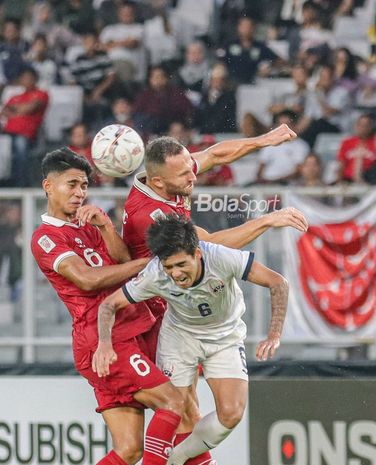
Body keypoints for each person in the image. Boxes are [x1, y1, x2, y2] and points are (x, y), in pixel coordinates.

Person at [121, 128, 308, 465]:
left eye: (190, 167)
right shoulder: (151, 215)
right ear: (159, 183)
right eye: (184, 174)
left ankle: (174, 459)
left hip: (183, 297)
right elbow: (210, 246)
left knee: (196, 410)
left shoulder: (166, 175)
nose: (194, 174)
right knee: (183, 406)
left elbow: (215, 155)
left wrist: (262, 141)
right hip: (158, 305)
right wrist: (268, 220)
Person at [30, 148, 185, 465]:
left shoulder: (87, 225)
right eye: (71, 184)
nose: (79, 193)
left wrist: (105, 226)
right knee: (173, 403)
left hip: (132, 327)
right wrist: (152, 261)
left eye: (84, 185)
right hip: (105, 340)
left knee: (129, 450)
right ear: (48, 186)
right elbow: (87, 279)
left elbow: (124, 261)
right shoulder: (45, 237)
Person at [95, 214, 289, 465]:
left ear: (197, 253)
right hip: (180, 338)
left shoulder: (221, 257)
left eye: (181, 265)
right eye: (169, 267)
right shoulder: (155, 273)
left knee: (231, 414)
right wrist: (104, 342)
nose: (175, 274)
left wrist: (274, 334)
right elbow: (109, 305)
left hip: (225, 336)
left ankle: (176, 458)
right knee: (176, 409)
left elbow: (278, 283)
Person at [2, 67, 49, 187]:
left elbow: (31, 108)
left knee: (20, 148)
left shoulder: (41, 94)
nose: (27, 80)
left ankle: (21, 184)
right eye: (24, 78)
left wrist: (16, 110)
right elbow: (4, 111)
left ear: (35, 79)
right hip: (7, 132)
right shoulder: (15, 96)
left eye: (29, 78)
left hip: (27, 135)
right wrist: (21, 109)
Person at [218, 16, 279, 85]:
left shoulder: (259, 47)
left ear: (253, 29)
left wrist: (269, 67)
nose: (245, 29)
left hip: (253, 84)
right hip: (231, 84)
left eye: (248, 27)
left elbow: (279, 61)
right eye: (243, 26)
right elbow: (220, 62)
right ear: (238, 28)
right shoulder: (229, 45)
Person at [134, 66, 193, 134]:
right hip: (151, 131)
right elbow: (138, 116)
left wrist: (179, 123)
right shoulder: (144, 96)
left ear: (166, 78)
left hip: (173, 129)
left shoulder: (176, 93)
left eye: (160, 76)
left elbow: (187, 111)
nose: (158, 79)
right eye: (155, 77)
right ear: (150, 79)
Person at [255, 111, 310, 184]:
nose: (283, 129)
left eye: (287, 125)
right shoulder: (268, 144)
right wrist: (261, 180)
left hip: (288, 185)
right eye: (280, 125)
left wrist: (277, 181)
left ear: (294, 126)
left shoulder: (301, 146)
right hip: (267, 184)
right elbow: (260, 168)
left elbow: (298, 172)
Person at [100, 2, 146, 82]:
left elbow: (132, 44)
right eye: (124, 13)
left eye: (129, 13)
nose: (126, 15)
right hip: (107, 63)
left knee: (116, 69)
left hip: (129, 64)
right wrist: (124, 41)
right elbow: (100, 47)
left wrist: (112, 43)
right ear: (119, 14)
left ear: (134, 14)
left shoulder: (139, 28)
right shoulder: (109, 29)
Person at [336, 113, 376, 183]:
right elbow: (341, 164)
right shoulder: (347, 143)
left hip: (369, 179)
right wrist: (339, 182)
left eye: (366, 125)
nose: (363, 128)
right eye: (360, 125)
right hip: (347, 180)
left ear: (371, 127)